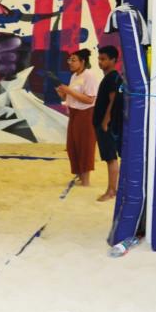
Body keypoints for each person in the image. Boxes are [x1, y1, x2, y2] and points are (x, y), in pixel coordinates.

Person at [56, 48, 100, 187]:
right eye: (69, 60)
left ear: (83, 61)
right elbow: (72, 96)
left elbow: (89, 99)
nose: (70, 63)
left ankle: (86, 180)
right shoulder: (74, 76)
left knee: (85, 146)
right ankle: (80, 176)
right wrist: (62, 93)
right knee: (72, 145)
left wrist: (69, 91)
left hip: (86, 114)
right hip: (74, 113)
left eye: (73, 60)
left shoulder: (89, 76)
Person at [93, 45, 124, 201]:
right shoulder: (109, 77)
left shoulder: (112, 77)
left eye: (104, 59)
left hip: (106, 124)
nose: (100, 62)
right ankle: (112, 189)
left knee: (110, 158)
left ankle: (111, 190)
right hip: (102, 123)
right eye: (99, 59)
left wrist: (105, 121)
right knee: (109, 158)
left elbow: (113, 101)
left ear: (113, 60)